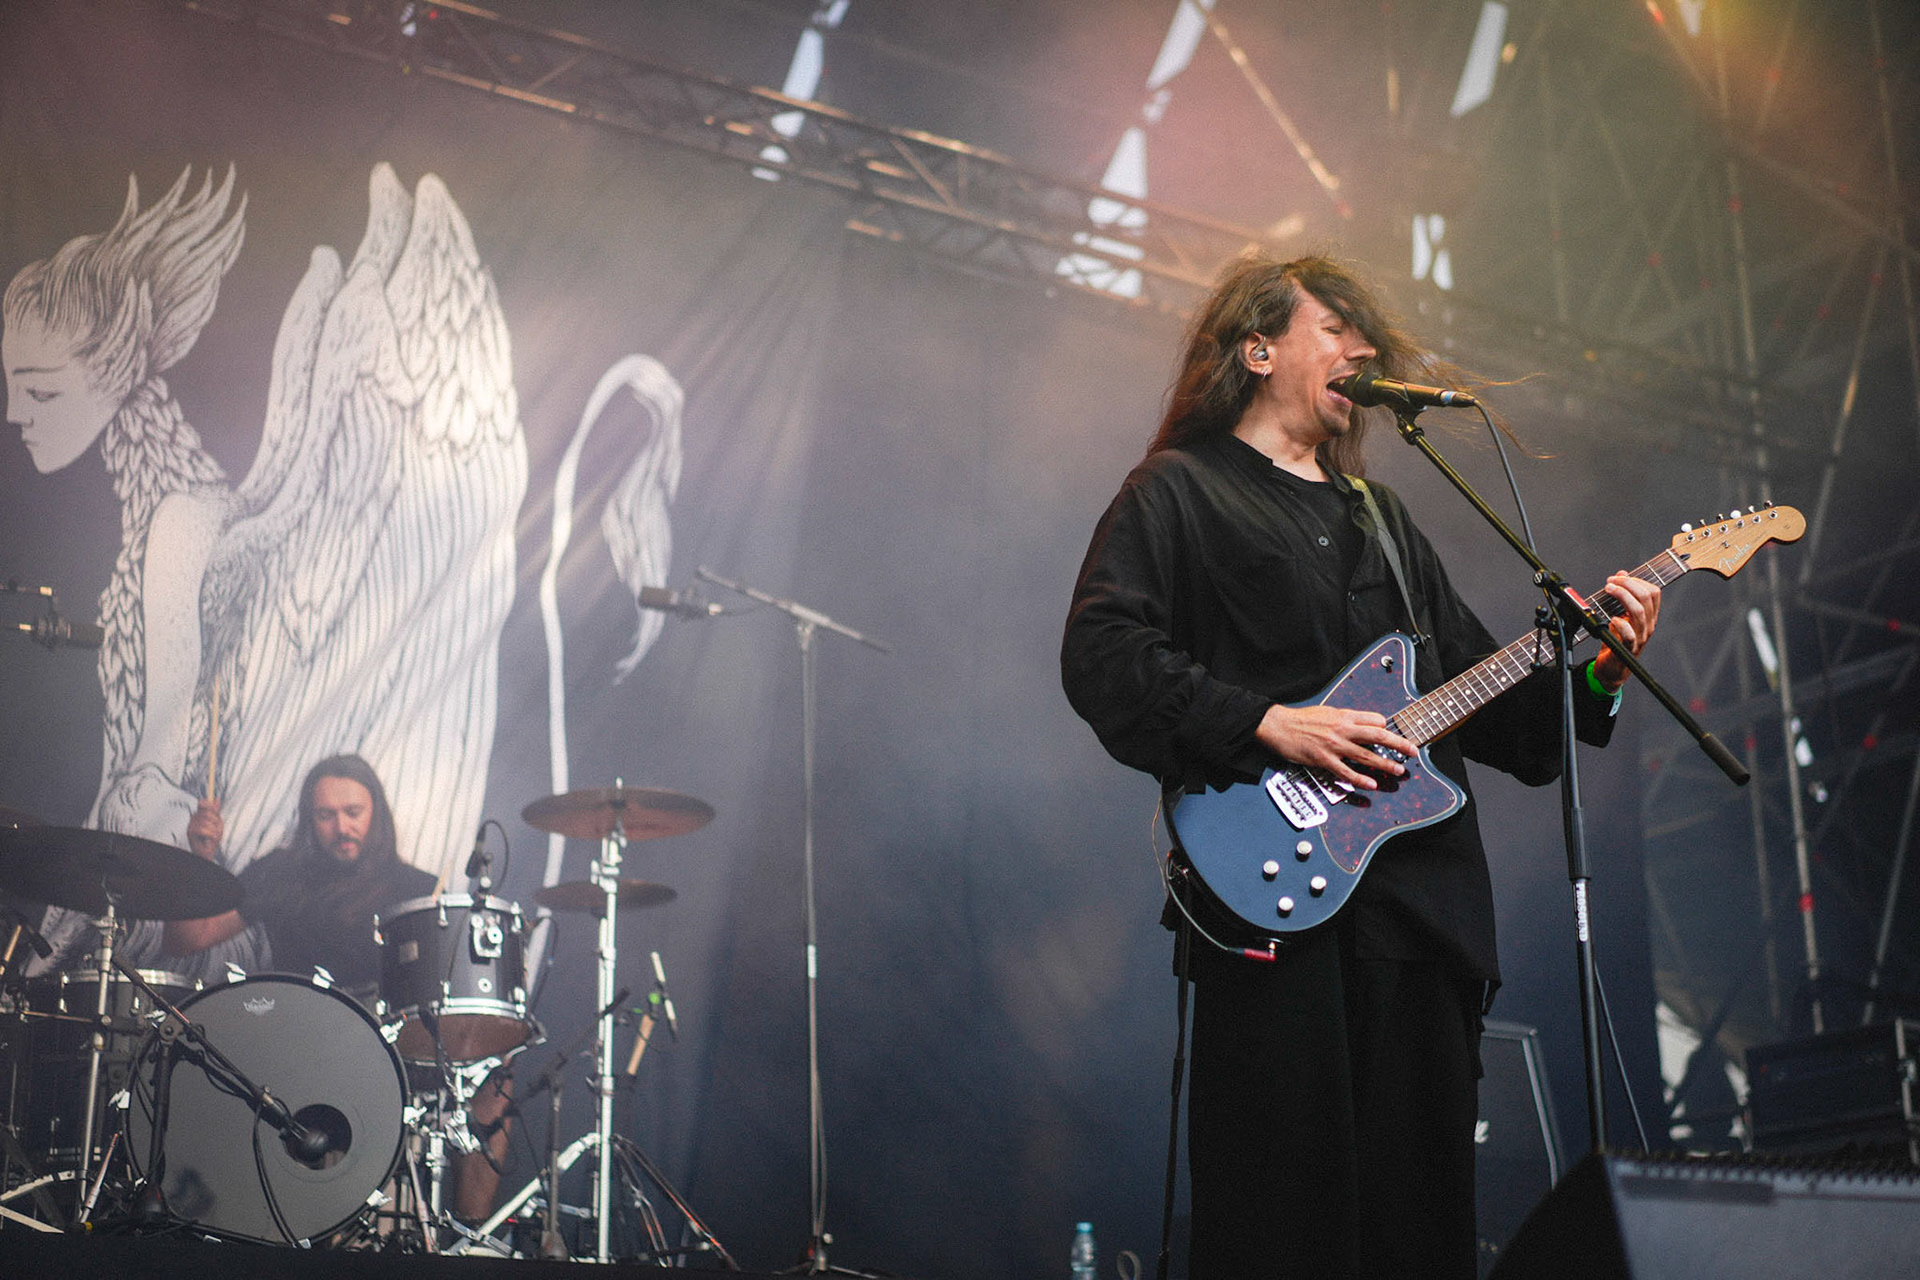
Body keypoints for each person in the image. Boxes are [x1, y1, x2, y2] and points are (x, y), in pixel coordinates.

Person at [1059, 253, 1660, 1279]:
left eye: (1364, 333)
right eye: (1335, 328)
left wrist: (1599, 673)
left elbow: (1514, 731)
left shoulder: (1383, 520)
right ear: (1258, 350)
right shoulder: (1179, 492)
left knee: (1420, 1234)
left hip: (1424, 928)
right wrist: (1270, 724)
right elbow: (1102, 654)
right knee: (1282, 1227)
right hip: (1274, 914)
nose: (1364, 348)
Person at [169, 752, 509, 1221]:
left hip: (392, 1050)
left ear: (376, 814)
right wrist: (199, 857)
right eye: (326, 815)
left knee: (494, 1071)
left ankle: (473, 1235)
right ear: (309, 820)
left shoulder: (418, 889)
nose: (341, 827)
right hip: (298, 1044)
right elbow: (186, 940)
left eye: (353, 812)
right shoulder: (281, 873)